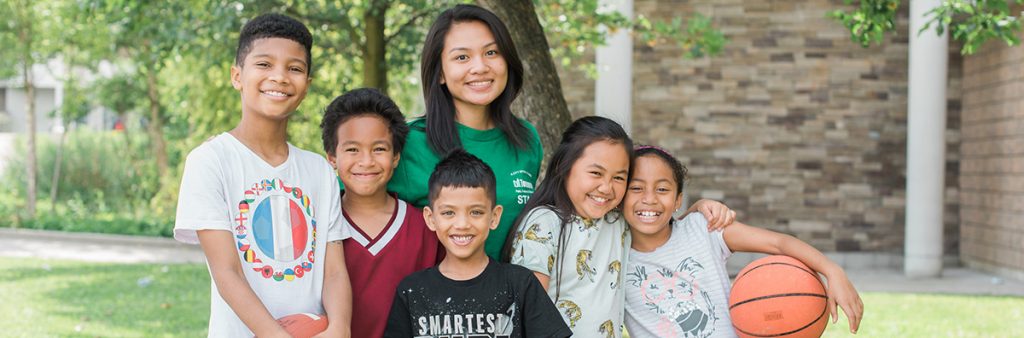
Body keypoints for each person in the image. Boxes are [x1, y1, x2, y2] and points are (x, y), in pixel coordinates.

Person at [173, 13, 352, 338]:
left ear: (307, 86)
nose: (280, 77)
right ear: (237, 76)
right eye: (265, 64)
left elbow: (335, 270)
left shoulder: (320, 172)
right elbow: (227, 273)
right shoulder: (210, 161)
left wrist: (339, 327)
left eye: (295, 68)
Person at [502, 116, 734, 338]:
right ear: (565, 166)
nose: (606, 187)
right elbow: (530, 312)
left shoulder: (615, 220)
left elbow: (656, 218)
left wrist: (700, 207)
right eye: (596, 173)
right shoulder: (544, 223)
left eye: (619, 178)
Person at [622, 145, 864, 337]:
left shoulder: (703, 229)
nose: (650, 199)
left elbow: (779, 243)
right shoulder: (613, 256)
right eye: (636, 188)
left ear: (678, 200)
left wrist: (832, 271)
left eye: (662, 190)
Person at [388, 4, 544, 259]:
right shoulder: (408, 143)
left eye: (491, 52)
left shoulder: (526, 139)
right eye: (462, 57)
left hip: (514, 294)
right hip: (435, 294)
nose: (480, 67)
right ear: (440, 73)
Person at [385, 150, 571, 338]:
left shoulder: (519, 284)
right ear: (431, 218)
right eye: (449, 213)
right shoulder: (412, 291)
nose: (462, 224)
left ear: (494, 216)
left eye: (476, 212)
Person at [320, 88, 444, 338]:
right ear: (332, 158)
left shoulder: (426, 228)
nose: (366, 161)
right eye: (352, 150)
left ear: (396, 156)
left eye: (379, 149)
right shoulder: (317, 226)